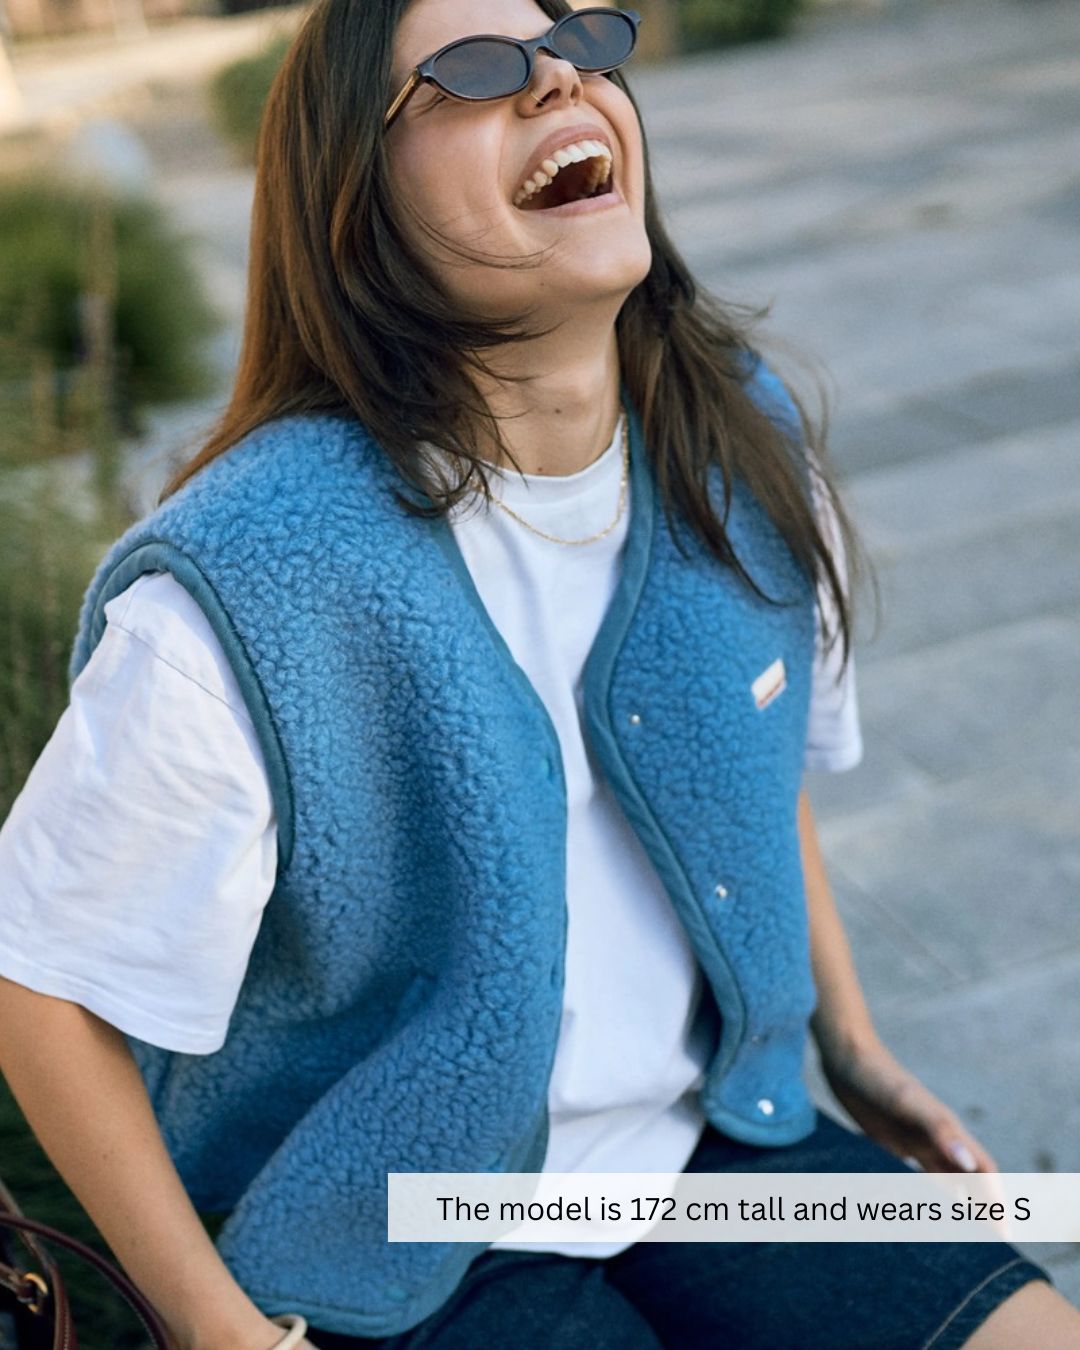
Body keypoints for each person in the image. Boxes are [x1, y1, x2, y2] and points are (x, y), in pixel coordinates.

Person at [1, 1, 1078, 1347]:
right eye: (475, 69)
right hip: (410, 1228)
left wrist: (848, 1041)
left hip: (719, 1154)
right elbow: (39, 983)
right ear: (358, 202)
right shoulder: (247, 579)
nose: (560, 72)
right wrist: (216, 1329)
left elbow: (753, 771)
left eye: (578, 36)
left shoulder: (730, 438)